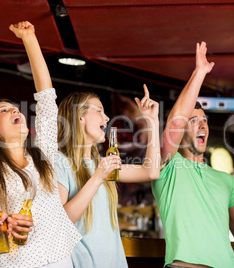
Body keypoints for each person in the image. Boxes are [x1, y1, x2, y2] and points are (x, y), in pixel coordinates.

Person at [151, 42, 234, 268]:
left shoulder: (225, 180)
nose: (202, 125)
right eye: (194, 121)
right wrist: (199, 73)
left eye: (204, 120)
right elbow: (176, 121)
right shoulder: (168, 167)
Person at [0, 21, 81, 267]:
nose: (16, 109)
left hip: (58, 258)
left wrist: (29, 38)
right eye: (5, 111)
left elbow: (47, 97)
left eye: (16, 107)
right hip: (13, 261)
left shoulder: (44, 154)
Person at [53, 84, 160, 267]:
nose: (107, 117)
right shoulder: (59, 161)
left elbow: (151, 171)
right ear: (80, 117)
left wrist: (152, 121)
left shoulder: (101, 164)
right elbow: (60, 221)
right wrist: (97, 178)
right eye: (99, 111)